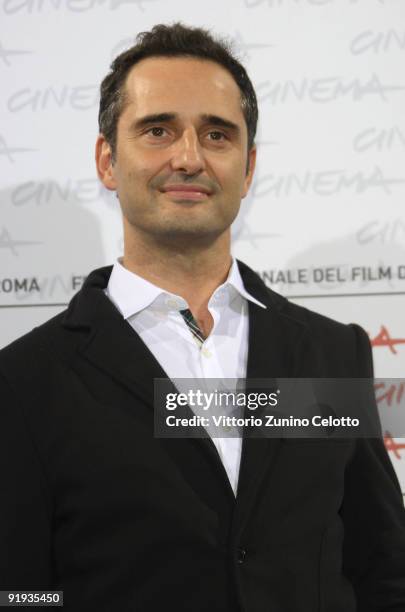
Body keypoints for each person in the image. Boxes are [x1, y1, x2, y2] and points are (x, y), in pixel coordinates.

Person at [1, 22, 405, 612]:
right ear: (107, 161)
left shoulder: (327, 353)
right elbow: (18, 592)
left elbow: (383, 567)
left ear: (247, 168)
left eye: (217, 135)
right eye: (158, 130)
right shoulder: (26, 380)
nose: (189, 157)